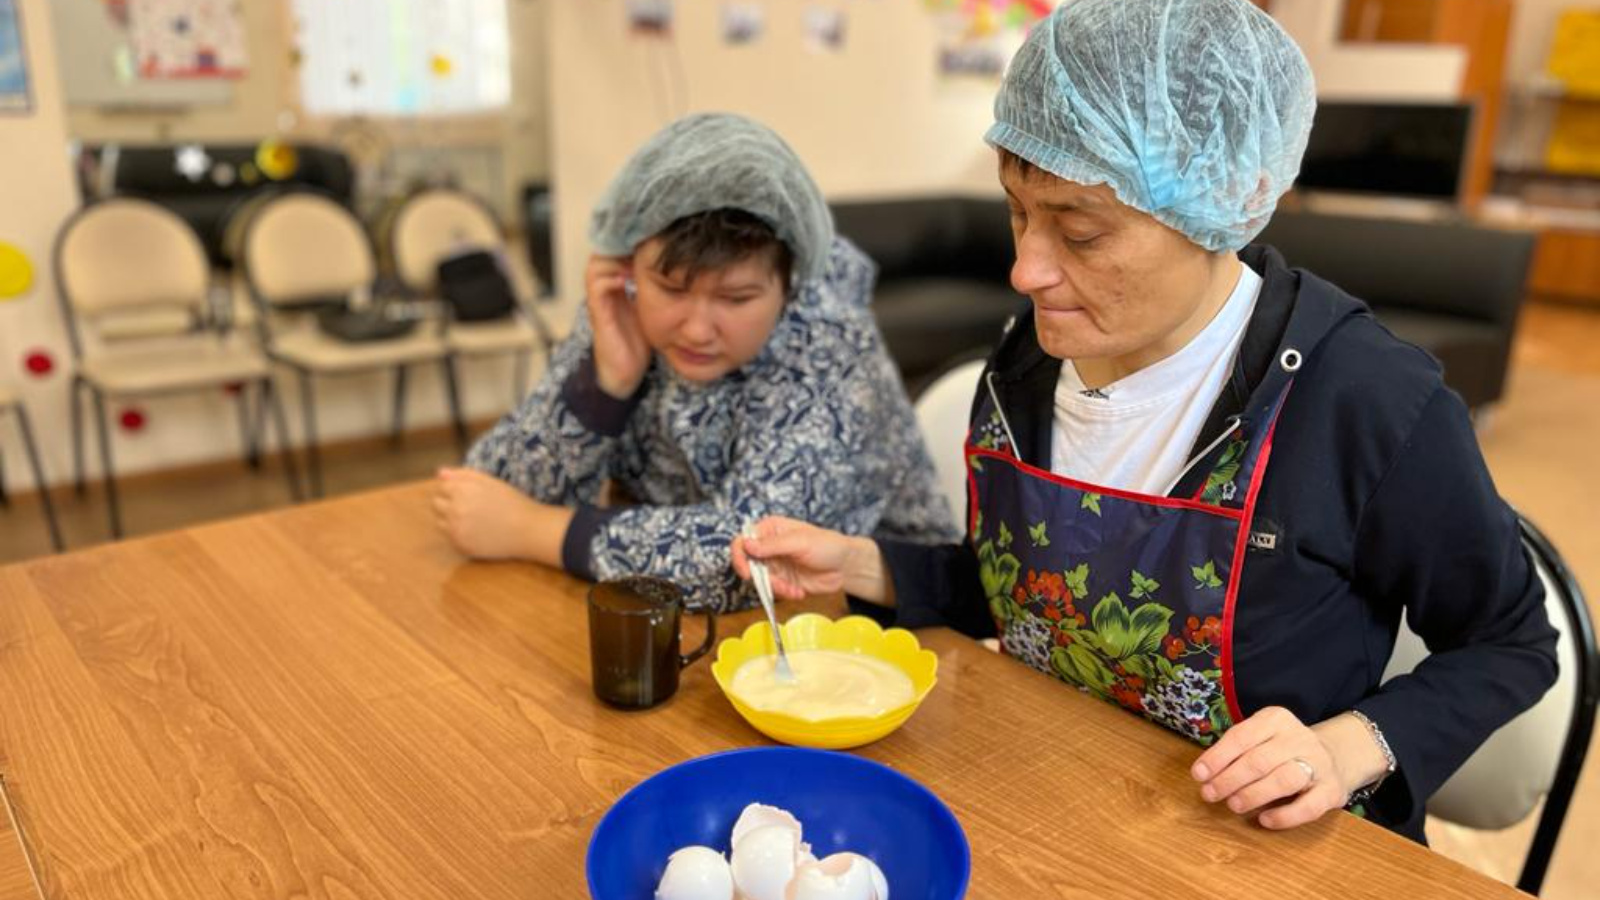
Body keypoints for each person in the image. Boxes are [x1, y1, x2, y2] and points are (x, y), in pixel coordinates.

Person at [733, 0, 1557, 841]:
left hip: (1259, 849)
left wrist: (1348, 747)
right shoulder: (1027, 364)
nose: (1025, 269)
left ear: (1222, 205)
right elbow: (1035, 597)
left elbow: (1511, 641)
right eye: (1017, 211)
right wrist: (865, 566)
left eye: (1081, 233)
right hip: (1055, 812)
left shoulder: (1366, 402)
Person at [434, 113, 957, 612]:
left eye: (737, 299)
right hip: (693, 622)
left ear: (789, 286)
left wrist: (532, 531)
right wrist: (606, 384)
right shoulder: (623, 307)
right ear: (629, 262)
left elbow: (753, 559)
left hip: (876, 633)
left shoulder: (832, 346)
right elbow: (486, 497)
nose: (697, 330)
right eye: (671, 289)